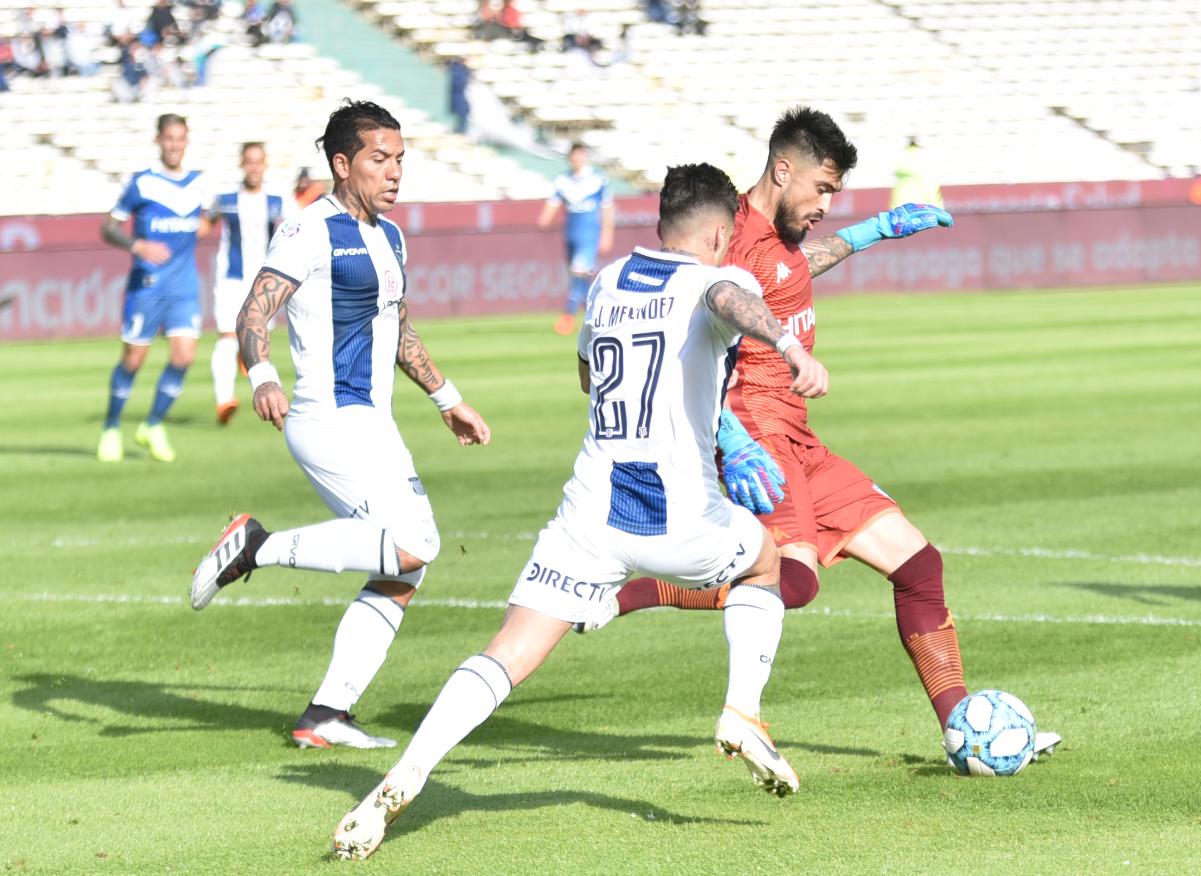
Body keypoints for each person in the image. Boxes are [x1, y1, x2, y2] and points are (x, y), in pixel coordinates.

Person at [329, 162, 830, 860]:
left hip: (588, 513)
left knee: (506, 652)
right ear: (720, 231)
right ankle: (743, 710)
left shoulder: (606, 281)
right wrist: (786, 343)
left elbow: (590, 377)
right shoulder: (723, 277)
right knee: (766, 563)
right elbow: (723, 297)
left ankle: (406, 774)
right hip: (677, 517)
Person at [583, 107, 1061, 759]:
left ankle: (960, 731)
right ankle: (632, 591)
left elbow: (794, 271)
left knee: (919, 565)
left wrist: (875, 233)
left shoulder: (775, 240)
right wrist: (729, 435)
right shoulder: (726, 237)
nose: (827, 205)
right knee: (796, 583)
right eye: (823, 189)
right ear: (783, 170)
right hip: (756, 434)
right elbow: (687, 331)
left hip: (800, 439)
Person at [189, 100, 492, 751]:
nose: (395, 173)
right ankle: (256, 547)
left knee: (406, 569)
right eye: (380, 160)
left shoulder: (391, 236)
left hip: (375, 424)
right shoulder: (308, 230)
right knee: (414, 546)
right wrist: (262, 373)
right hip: (327, 419)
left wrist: (447, 397)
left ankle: (326, 713)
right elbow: (255, 308)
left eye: (401, 159)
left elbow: (399, 327)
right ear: (341, 163)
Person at [97, 113, 207, 463]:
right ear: (158, 140)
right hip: (146, 286)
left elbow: (209, 220)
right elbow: (108, 226)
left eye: (180, 138)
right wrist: (138, 246)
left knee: (184, 356)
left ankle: (153, 425)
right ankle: (111, 427)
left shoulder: (199, 184)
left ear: (186, 141)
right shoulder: (142, 184)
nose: (174, 145)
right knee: (133, 360)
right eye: (168, 138)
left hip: (185, 286)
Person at [202, 141, 297, 425]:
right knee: (227, 336)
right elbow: (205, 223)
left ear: (265, 164)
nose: (254, 167)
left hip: (265, 282)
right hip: (231, 279)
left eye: (259, 161)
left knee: (258, 339)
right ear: (242, 164)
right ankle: (224, 401)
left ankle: (252, 372)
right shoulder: (226, 199)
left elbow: (299, 228)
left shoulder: (278, 200)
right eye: (249, 162)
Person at [538, 142, 614, 335]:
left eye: (581, 156)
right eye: (575, 156)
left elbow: (607, 208)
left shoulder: (597, 179)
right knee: (578, 277)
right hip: (571, 232)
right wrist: (545, 218)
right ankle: (594, 312)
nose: (578, 160)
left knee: (579, 272)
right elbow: (553, 202)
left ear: (585, 157)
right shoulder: (563, 180)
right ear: (570, 158)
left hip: (589, 233)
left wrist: (607, 234)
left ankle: (567, 317)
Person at [891, 135, 943, 210]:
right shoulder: (929, 158)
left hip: (902, 206)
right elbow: (931, 189)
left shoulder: (900, 157)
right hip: (926, 206)